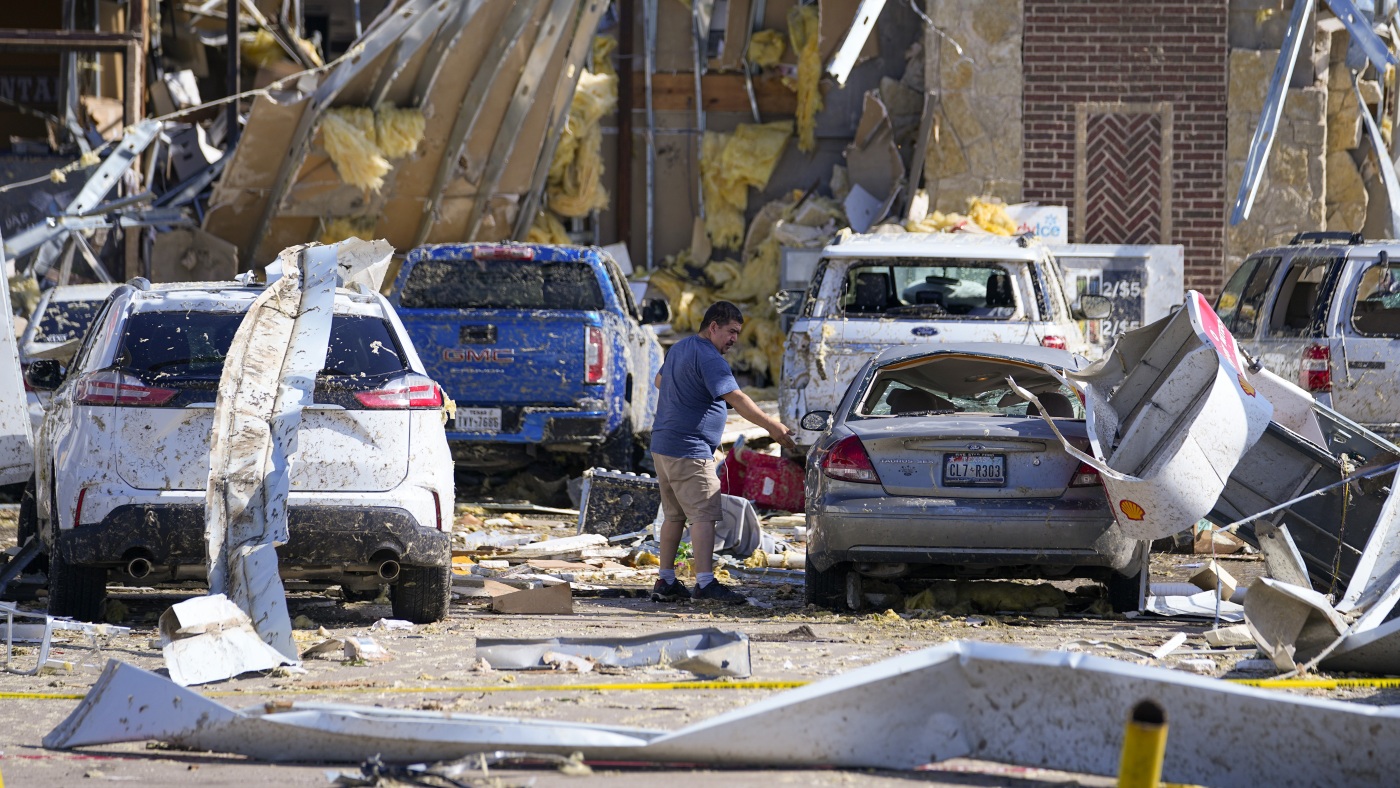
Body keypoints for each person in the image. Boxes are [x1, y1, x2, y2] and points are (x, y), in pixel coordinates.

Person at [649, 301, 797, 604]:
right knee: (704, 515)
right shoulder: (709, 356)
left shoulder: (680, 347)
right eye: (730, 331)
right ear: (713, 326)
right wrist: (773, 427)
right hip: (689, 449)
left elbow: (660, 381)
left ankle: (666, 581)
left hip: (663, 446)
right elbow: (737, 398)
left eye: (738, 333)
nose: (733, 339)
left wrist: (688, 395)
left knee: (674, 517)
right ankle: (704, 584)